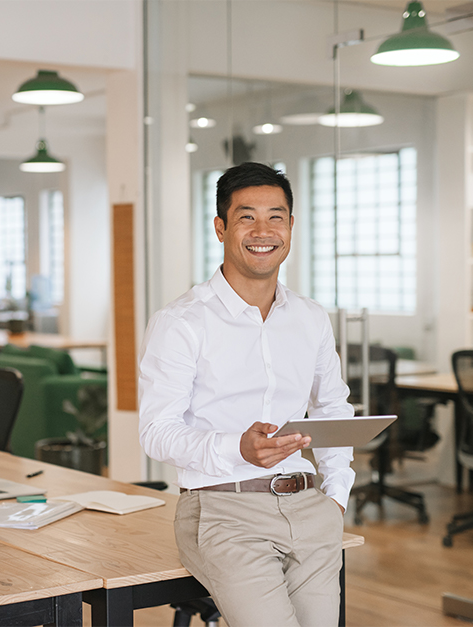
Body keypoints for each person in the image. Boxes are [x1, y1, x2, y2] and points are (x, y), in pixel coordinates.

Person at [138, 162, 354, 626]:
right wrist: (235, 446)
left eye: (276, 216)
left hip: (310, 507)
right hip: (222, 509)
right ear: (221, 227)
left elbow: (332, 406)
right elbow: (156, 432)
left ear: (291, 226)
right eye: (246, 217)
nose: (263, 230)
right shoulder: (182, 322)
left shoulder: (310, 317)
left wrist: (336, 494)